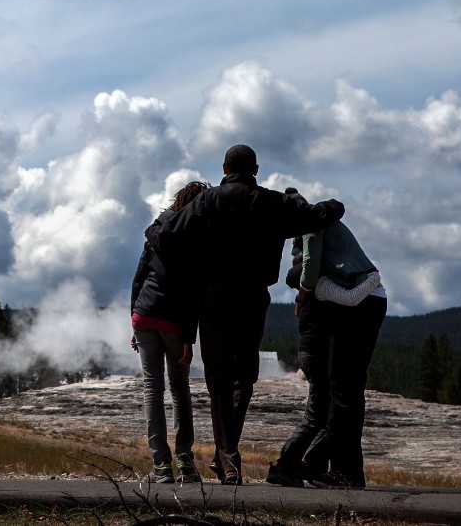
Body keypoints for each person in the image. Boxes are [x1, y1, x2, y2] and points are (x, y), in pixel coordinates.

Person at [147, 145, 346, 485]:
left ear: (224, 167)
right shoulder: (271, 202)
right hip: (253, 298)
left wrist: (154, 230)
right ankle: (227, 456)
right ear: (255, 169)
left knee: (219, 380)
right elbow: (320, 215)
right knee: (244, 377)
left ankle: (229, 459)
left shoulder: (207, 202)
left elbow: (165, 236)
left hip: (213, 298)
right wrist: (328, 204)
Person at [265, 188, 387, 489]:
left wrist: (304, 292)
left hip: (363, 300)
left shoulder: (309, 226)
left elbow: (311, 267)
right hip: (361, 300)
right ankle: (330, 468)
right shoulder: (312, 223)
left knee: (343, 393)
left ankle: (342, 472)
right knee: (342, 390)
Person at [130, 181, 210, 484]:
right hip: (176, 322)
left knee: (153, 388)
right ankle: (186, 464)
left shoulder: (156, 231)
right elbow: (193, 294)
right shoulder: (199, 238)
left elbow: (138, 278)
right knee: (179, 389)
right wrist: (190, 338)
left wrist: (133, 320)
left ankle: (161, 467)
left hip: (145, 315)